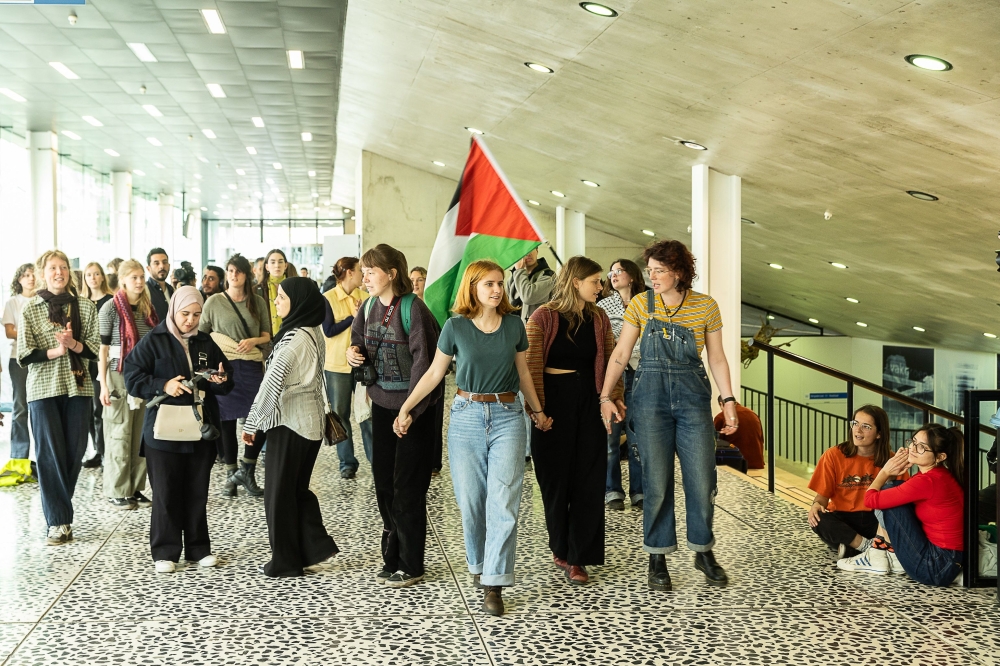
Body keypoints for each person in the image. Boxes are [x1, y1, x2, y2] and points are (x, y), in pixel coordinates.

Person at [395, 260, 551, 615]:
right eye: (489, 284)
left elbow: (522, 371)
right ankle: (479, 567)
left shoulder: (514, 326)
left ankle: (495, 582)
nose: (496, 290)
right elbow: (435, 372)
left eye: (499, 283)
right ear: (473, 288)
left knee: (505, 501)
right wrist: (407, 407)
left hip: (508, 417)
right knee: (471, 504)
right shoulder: (454, 327)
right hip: (465, 417)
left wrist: (537, 411)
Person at [599, 239, 739, 591]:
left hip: (693, 401)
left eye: (660, 270)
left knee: (702, 479)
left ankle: (703, 551)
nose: (653, 276)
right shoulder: (641, 306)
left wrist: (728, 400)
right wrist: (605, 395)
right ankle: (657, 556)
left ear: (679, 272)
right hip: (650, 402)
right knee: (656, 482)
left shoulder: (705, 306)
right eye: (650, 270)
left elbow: (718, 358)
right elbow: (621, 354)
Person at [348, 244, 441, 588]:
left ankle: (411, 563)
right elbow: (357, 340)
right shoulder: (370, 306)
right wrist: (354, 353)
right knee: (384, 484)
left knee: (408, 488)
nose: (365, 278)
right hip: (382, 406)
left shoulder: (412, 309)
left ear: (392, 274)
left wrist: (409, 410)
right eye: (364, 271)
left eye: (371, 271)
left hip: (414, 411)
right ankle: (393, 555)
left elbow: (425, 363)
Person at [525, 256, 622, 586]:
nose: (601, 287)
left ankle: (579, 556)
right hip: (552, 400)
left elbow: (610, 360)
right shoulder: (543, 317)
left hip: (589, 400)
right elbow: (530, 365)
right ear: (575, 282)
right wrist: (537, 410)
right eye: (595, 281)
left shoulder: (599, 317)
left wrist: (613, 397)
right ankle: (561, 548)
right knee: (555, 480)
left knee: (589, 478)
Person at [123, 286, 233, 573]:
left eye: (197, 314)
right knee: (166, 492)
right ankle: (165, 551)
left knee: (197, 490)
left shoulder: (206, 341)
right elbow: (132, 377)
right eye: (185, 314)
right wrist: (163, 385)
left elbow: (226, 376)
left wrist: (221, 379)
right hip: (163, 430)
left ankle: (198, 549)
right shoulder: (155, 340)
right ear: (174, 310)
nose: (191, 320)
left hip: (200, 428)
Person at [242, 277, 339, 577]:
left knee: (279, 495)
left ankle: (285, 561)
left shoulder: (294, 340)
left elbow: (271, 384)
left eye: (281, 297)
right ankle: (312, 548)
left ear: (297, 302)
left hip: (291, 424)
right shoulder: (312, 331)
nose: (276, 301)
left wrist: (252, 424)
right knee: (296, 491)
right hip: (309, 424)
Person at [17, 250, 100, 545]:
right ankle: (59, 522)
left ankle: (59, 513)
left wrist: (73, 343)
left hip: (79, 387)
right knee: (49, 454)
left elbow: (93, 349)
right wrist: (56, 350)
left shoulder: (86, 307)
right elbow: (24, 354)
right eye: (53, 268)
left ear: (69, 273)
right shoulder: (30, 308)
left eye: (63, 267)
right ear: (43, 272)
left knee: (74, 452)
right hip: (43, 390)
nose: (59, 273)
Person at [838, 423, 964, 587]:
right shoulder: (939, 475)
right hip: (947, 561)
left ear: (940, 457)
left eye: (921, 447)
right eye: (913, 441)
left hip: (934, 567)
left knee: (889, 491)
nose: (912, 448)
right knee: (892, 490)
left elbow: (870, 500)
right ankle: (884, 554)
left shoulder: (928, 481)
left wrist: (884, 472)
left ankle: (878, 556)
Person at [199, 254, 271, 497]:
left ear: (246, 274)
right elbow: (202, 336)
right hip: (224, 367)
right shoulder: (214, 302)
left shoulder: (258, 301)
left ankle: (247, 469)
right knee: (226, 421)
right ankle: (231, 474)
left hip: (251, 365)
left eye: (238, 271)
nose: (233, 275)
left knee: (260, 417)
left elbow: (267, 336)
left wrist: (253, 341)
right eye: (230, 270)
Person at [98, 260, 158, 510]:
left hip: (142, 375)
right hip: (117, 375)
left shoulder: (148, 308)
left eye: (141, 277)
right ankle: (117, 489)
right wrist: (103, 384)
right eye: (133, 277)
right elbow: (102, 350)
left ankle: (135, 488)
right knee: (119, 433)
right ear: (122, 280)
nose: (139, 281)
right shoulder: (110, 308)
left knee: (140, 435)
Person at [807, 405, 898, 558]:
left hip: (875, 520)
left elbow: (899, 499)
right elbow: (822, 498)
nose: (857, 430)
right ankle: (868, 547)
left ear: (879, 434)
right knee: (819, 519)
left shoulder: (891, 459)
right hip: (843, 519)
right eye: (855, 423)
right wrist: (816, 505)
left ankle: (851, 547)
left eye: (866, 426)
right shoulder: (833, 455)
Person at [597, 258, 647, 511]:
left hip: (641, 374)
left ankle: (639, 491)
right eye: (611, 271)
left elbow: (647, 338)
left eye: (619, 270)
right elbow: (607, 342)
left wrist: (627, 348)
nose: (613, 275)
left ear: (632, 275)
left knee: (638, 437)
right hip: (614, 375)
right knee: (611, 437)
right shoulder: (604, 305)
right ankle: (612, 490)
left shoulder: (649, 302)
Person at [322, 257, 370, 478]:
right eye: (360, 270)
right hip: (336, 366)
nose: (363, 274)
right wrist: (354, 317)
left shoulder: (366, 297)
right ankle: (347, 463)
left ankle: (376, 460)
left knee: (366, 413)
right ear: (350, 273)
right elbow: (329, 330)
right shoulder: (328, 298)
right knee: (341, 415)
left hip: (362, 364)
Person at [1, 263, 36, 482]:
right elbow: (10, 331)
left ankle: (43, 459)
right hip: (18, 360)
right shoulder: (12, 303)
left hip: (42, 360)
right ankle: (19, 457)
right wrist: (33, 335)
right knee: (20, 407)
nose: (30, 278)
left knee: (41, 409)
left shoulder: (43, 300)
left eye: (33, 275)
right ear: (19, 280)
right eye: (26, 275)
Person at [81, 262, 114, 470]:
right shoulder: (81, 302)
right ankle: (97, 449)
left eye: (96, 274)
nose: (93, 278)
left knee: (101, 408)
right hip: (86, 360)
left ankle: (105, 451)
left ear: (102, 277)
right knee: (90, 410)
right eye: (89, 275)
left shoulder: (111, 301)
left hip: (106, 359)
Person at [713, 397, 765, 470]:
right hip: (756, 462)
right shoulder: (753, 414)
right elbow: (761, 438)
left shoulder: (721, 416)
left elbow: (714, 441)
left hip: (734, 462)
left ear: (721, 404)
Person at [508, 248, 556, 323]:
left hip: (536, 332)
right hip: (515, 331)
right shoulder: (512, 279)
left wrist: (519, 271)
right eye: (523, 250)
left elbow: (528, 297)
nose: (528, 254)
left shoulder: (549, 276)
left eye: (531, 249)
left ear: (537, 250)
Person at [257, 249, 290, 336]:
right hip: (266, 338)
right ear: (267, 267)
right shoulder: (257, 290)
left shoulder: (295, 288)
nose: (277, 266)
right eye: (272, 262)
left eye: (280, 262)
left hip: (290, 335)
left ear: (285, 265)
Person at [146, 248, 173, 321]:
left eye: (164, 262)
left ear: (169, 266)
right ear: (148, 268)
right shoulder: (144, 291)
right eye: (156, 263)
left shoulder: (172, 290)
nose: (162, 266)